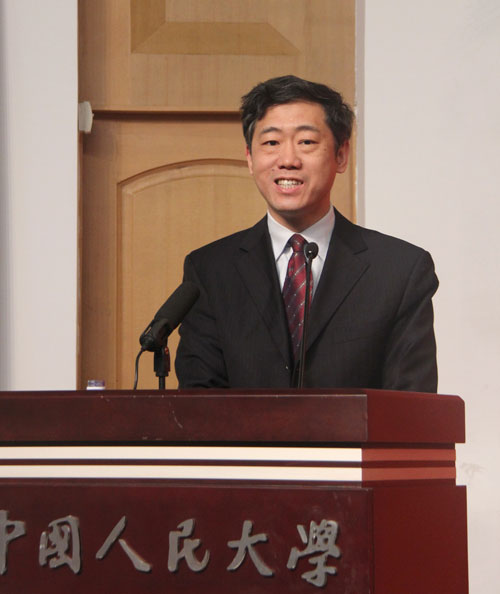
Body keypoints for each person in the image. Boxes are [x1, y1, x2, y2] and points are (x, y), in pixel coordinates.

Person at [175, 75, 438, 392]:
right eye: (271, 143)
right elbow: (200, 399)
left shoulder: (399, 271)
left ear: (341, 155)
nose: (288, 160)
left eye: (307, 142)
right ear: (250, 158)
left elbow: (409, 403)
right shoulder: (210, 271)